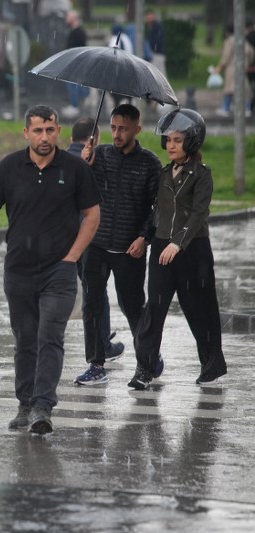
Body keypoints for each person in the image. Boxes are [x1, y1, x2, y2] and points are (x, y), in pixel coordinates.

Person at [0, 105, 100, 435]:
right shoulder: (9, 167)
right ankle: (25, 403)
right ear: (26, 133)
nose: (44, 137)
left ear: (58, 131)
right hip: (18, 270)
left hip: (60, 270)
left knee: (50, 335)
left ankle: (43, 405)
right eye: (38, 131)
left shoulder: (74, 169)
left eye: (50, 130)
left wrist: (72, 256)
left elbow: (92, 215)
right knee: (25, 338)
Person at [129, 109, 227, 390]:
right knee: (154, 309)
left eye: (177, 139)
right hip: (162, 248)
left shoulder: (202, 175)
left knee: (199, 309)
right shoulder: (162, 174)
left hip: (193, 250)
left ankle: (212, 363)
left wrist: (178, 243)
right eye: (168, 140)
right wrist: (145, 238)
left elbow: (199, 215)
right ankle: (144, 369)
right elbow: (156, 212)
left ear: (193, 141)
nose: (170, 145)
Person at [76, 105, 161, 386]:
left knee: (133, 307)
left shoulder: (149, 163)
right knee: (92, 305)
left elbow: (157, 208)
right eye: (113, 127)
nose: (116, 133)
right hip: (96, 245)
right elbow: (81, 193)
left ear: (137, 129)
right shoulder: (98, 156)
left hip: (130, 249)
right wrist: (83, 164)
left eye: (123, 128)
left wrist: (144, 237)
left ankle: (146, 364)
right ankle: (96, 364)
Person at [66, 118, 123, 365]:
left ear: (70, 138)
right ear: (95, 138)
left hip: (59, 235)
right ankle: (103, 344)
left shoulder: (59, 160)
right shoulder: (96, 162)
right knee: (95, 292)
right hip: (87, 237)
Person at [213, 25, 254, 118]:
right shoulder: (243, 40)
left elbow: (226, 56)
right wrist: (247, 64)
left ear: (228, 33)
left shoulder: (230, 41)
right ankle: (246, 109)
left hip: (232, 68)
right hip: (242, 68)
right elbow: (251, 53)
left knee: (229, 89)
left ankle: (226, 108)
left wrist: (220, 66)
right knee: (244, 89)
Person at [62, 11, 89, 119]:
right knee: (73, 84)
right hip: (73, 62)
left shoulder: (79, 33)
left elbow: (79, 49)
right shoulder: (74, 32)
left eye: (68, 17)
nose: (66, 19)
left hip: (76, 63)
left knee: (73, 84)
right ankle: (78, 103)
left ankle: (75, 105)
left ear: (74, 18)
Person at [145, 10, 167, 76]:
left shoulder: (157, 27)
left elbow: (158, 40)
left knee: (160, 74)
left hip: (157, 53)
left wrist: (154, 49)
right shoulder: (148, 27)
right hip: (152, 53)